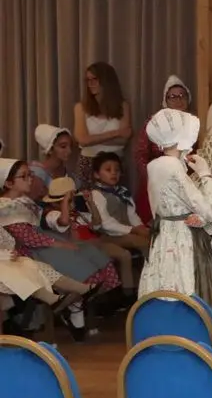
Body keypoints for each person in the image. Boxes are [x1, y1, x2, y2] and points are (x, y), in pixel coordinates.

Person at [0, 158, 97, 333]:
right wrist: (56, 243)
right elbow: (26, 237)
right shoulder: (5, 207)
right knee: (26, 269)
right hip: (23, 251)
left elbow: (43, 220)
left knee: (38, 266)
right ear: (8, 183)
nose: (30, 179)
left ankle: (76, 292)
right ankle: (63, 301)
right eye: (24, 176)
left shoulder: (24, 202)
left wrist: (61, 213)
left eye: (30, 174)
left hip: (19, 252)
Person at [138, 109, 212, 305]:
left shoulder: (154, 166)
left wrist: (199, 217)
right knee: (185, 289)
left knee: (162, 286)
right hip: (183, 239)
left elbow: (164, 205)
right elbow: (210, 211)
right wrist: (206, 175)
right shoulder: (174, 167)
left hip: (163, 236)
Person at [83, 152, 149, 296]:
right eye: (108, 170)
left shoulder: (123, 191)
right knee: (141, 242)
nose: (114, 173)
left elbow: (132, 214)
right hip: (108, 236)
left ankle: (145, 281)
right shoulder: (96, 194)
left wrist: (140, 227)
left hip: (125, 233)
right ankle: (132, 291)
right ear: (97, 175)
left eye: (117, 170)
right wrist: (133, 230)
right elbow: (106, 223)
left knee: (148, 238)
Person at [133, 75, 194, 224]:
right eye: (173, 97)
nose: (178, 100)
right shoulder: (155, 122)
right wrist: (152, 176)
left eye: (182, 96)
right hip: (157, 181)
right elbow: (140, 153)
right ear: (165, 100)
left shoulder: (192, 123)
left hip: (185, 183)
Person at [74, 63, 132, 181]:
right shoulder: (81, 107)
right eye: (88, 80)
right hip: (88, 163)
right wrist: (115, 133)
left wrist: (92, 139)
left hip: (115, 164)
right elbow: (82, 140)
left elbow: (124, 139)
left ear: (106, 81)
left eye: (95, 79)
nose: (90, 84)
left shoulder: (123, 106)